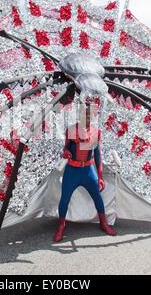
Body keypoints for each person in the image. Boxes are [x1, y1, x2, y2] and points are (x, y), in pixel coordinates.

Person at [54, 104, 117, 243]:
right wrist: (66, 153)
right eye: (84, 114)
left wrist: (100, 176)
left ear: (93, 116)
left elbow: (97, 155)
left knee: (98, 198)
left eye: (89, 115)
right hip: (72, 170)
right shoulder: (71, 129)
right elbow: (66, 148)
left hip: (88, 171)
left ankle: (104, 223)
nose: (87, 117)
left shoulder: (96, 131)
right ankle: (61, 226)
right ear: (79, 115)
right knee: (64, 199)